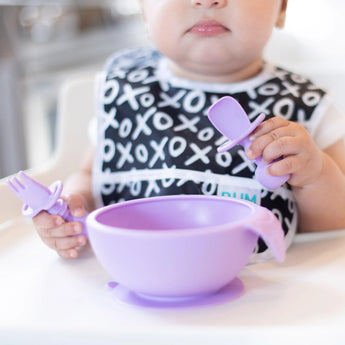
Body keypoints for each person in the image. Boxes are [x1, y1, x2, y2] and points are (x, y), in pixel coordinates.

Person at [33, 0, 345, 260]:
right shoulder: (126, 92)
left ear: (281, 8)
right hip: (132, 287)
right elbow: (91, 176)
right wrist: (72, 209)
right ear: (143, 9)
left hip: (259, 300)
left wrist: (315, 174)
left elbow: (332, 229)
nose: (207, 1)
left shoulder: (307, 107)